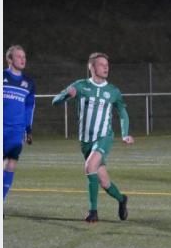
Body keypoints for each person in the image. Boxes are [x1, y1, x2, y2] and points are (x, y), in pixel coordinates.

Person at [52, 52, 133, 222]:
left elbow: (123, 113)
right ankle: (121, 199)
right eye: (102, 64)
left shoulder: (113, 91)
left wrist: (125, 134)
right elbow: (55, 101)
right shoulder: (80, 86)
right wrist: (67, 95)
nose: (106, 67)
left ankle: (93, 212)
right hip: (85, 141)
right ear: (92, 67)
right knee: (104, 181)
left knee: (89, 167)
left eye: (107, 65)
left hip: (104, 137)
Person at [3, 45, 36, 201]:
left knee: (11, 164)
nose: (23, 59)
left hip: (17, 131)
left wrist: (28, 129)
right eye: (19, 56)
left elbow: (29, 107)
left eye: (24, 56)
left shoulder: (28, 83)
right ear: (9, 59)